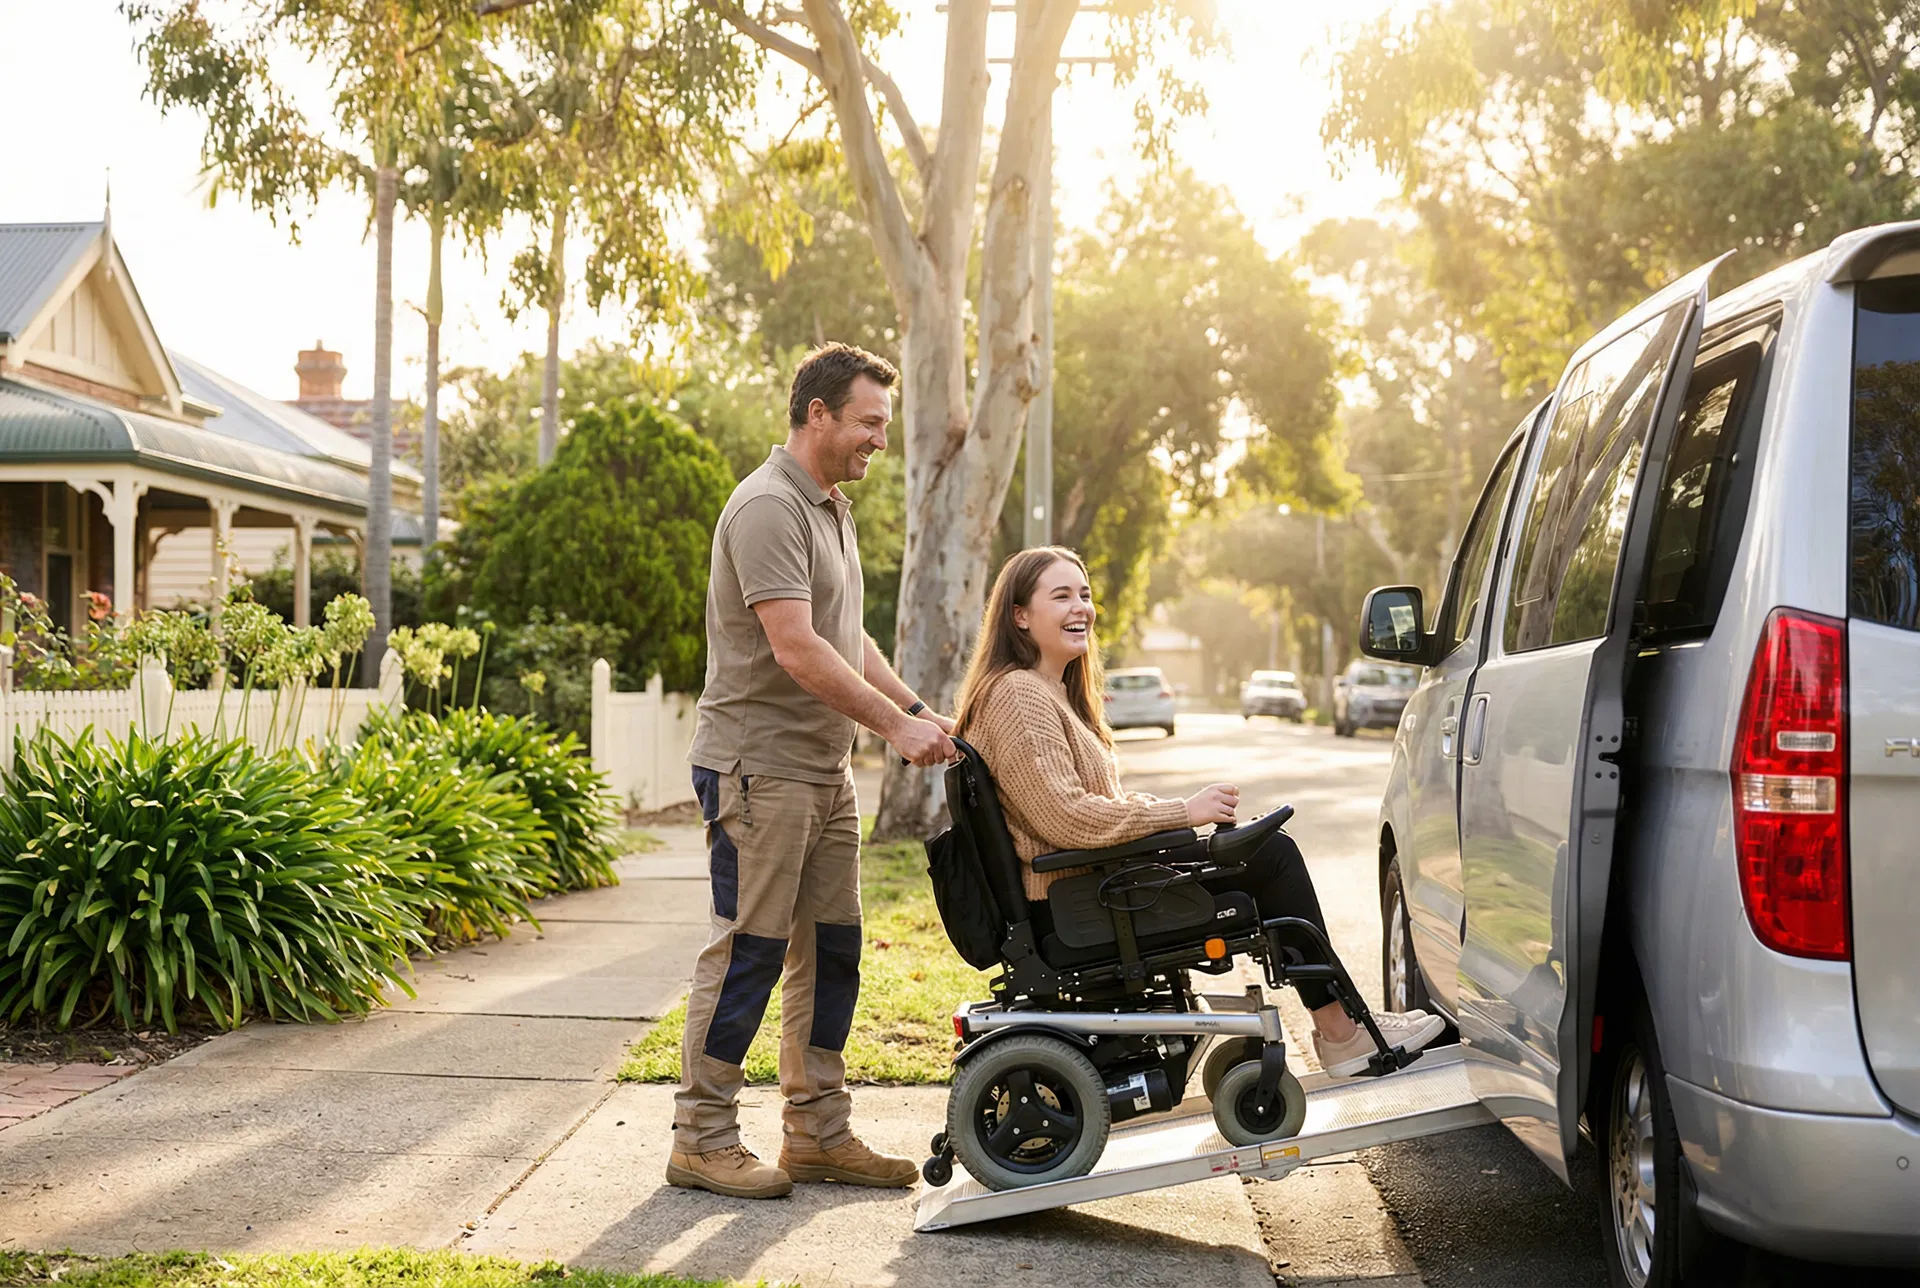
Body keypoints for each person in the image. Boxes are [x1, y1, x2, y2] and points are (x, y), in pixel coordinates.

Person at [951, 545, 1446, 1077]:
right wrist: (1181, 814)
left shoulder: (1048, 691)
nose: (1082, 608)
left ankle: (1341, 1030)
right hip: (1075, 907)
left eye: (1086, 595)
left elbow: (1094, 808)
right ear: (1020, 615)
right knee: (1271, 859)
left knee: (1263, 853)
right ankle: (1341, 1034)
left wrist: (1181, 819)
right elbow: (1068, 817)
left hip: (1090, 892)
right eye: (1062, 596)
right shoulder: (1019, 696)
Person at [672, 342, 957, 1200]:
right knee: (748, 953)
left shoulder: (833, 507)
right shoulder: (767, 506)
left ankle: (817, 1132)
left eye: (884, 425)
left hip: (822, 771)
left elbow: (845, 637)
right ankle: (702, 1137)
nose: (880, 439)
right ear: (819, 413)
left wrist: (915, 711)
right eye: (869, 422)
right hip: (757, 769)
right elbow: (795, 648)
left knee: (832, 953)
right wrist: (893, 734)